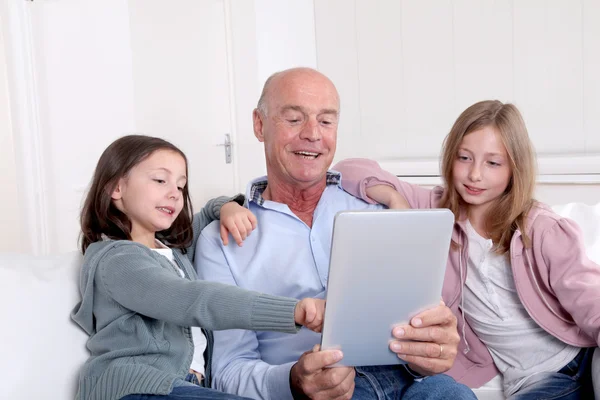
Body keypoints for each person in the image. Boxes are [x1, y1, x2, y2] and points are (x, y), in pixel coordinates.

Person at [194, 68, 476, 400]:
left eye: (326, 121)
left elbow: (418, 323)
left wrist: (428, 352)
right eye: (295, 119)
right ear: (259, 125)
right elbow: (227, 372)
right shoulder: (220, 242)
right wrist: (294, 381)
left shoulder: (376, 209)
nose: (313, 134)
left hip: (411, 384)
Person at [334, 100, 599, 399]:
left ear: (515, 168)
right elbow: (349, 169)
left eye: (493, 163)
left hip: (582, 357)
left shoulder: (540, 228)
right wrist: (395, 199)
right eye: (464, 158)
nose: (475, 175)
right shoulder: (434, 210)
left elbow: (590, 298)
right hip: (537, 380)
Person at [71, 135, 325, 400]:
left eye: (181, 186)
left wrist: (227, 207)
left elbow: (206, 214)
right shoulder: (116, 259)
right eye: (160, 180)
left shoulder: (175, 251)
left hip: (185, 388)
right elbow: (191, 299)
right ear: (116, 188)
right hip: (136, 387)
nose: (174, 193)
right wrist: (293, 310)